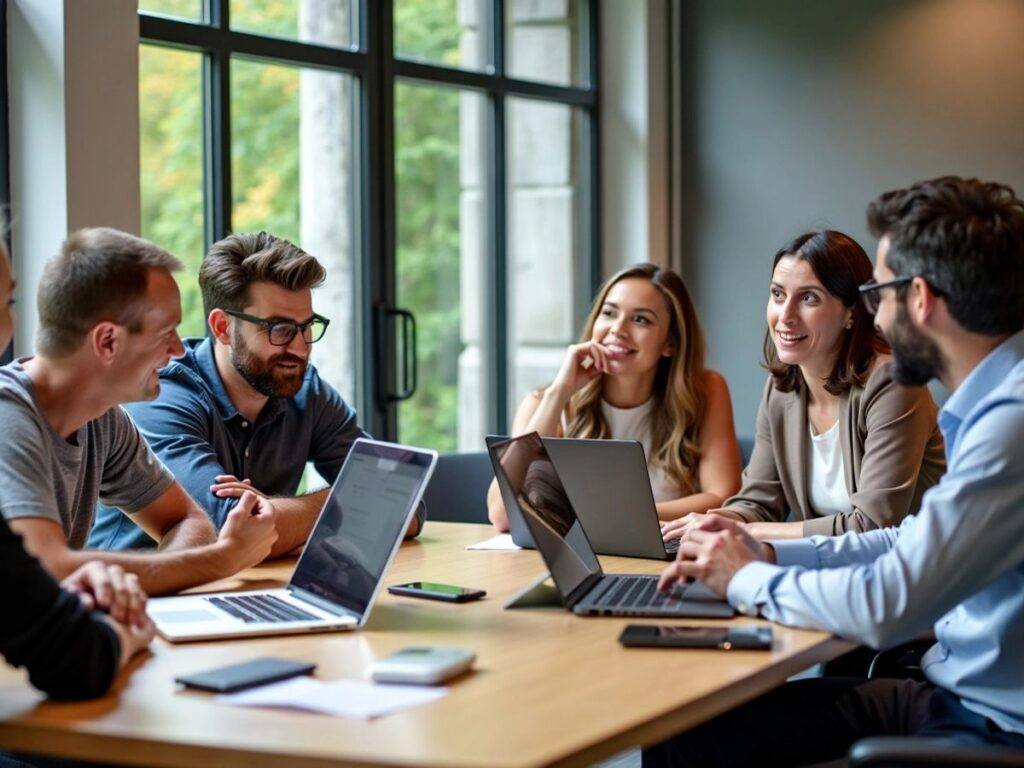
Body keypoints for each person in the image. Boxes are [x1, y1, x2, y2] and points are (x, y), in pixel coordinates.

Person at [649, 176, 1024, 766]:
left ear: (920, 298)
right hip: (948, 690)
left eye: (881, 292)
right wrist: (768, 555)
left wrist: (747, 577)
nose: (876, 313)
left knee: (696, 742)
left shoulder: (1011, 423)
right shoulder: (996, 404)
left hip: (987, 725)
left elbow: (888, 602)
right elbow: (908, 540)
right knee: (684, 729)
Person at [89, 231, 422, 558]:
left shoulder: (308, 392)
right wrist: (354, 499)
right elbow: (228, 533)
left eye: (307, 326)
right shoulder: (164, 396)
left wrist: (276, 513)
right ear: (222, 328)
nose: (300, 347)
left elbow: (408, 502)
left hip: (253, 590)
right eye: (280, 329)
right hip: (146, 600)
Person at [0, 228, 277, 596]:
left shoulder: (103, 418)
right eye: (166, 333)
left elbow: (188, 521)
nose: (179, 350)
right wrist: (222, 559)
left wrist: (144, 590)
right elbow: (47, 569)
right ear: (108, 341)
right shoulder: (8, 416)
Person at [662, 230, 945, 542]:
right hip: (828, 571)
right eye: (778, 294)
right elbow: (758, 502)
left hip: (909, 576)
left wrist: (748, 530)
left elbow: (873, 526)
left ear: (851, 312)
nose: (785, 316)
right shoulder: (781, 388)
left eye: (809, 297)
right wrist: (714, 522)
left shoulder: (894, 383)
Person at [0, 232, 153, 705]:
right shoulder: (9, 414)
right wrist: (127, 629)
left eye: (12, 299)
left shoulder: (106, 418)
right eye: (6, 301)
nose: (8, 324)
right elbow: (76, 659)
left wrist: (66, 590)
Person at [487, 262, 742, 531]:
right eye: (609, 313)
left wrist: (615, 518)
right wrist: (559, 392)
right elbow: (502, 515)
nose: (617, 329)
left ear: (670, 343)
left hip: (665, 557)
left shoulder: (705, 390)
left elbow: (722, 498)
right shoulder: (544, 402)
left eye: (640, 319)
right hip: (575, 563)